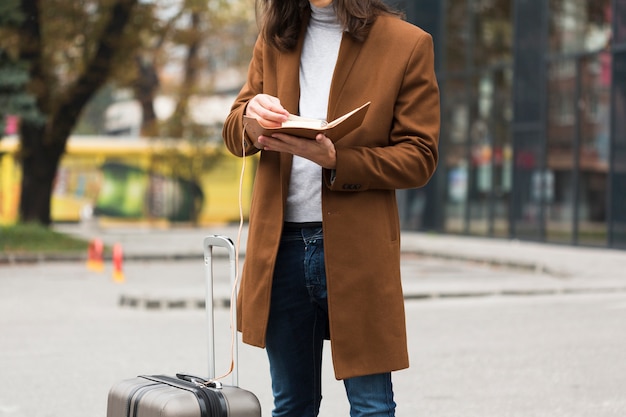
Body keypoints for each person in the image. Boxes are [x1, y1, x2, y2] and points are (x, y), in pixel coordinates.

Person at [222, 0, 440, 415]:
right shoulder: (275, 37)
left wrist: (339, 160)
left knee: (371, 406)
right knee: (291, 406)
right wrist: (250, 116)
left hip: (359, 249)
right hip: (280, 248)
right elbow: (235, 132)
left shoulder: (408, 43)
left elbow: (420, 156)